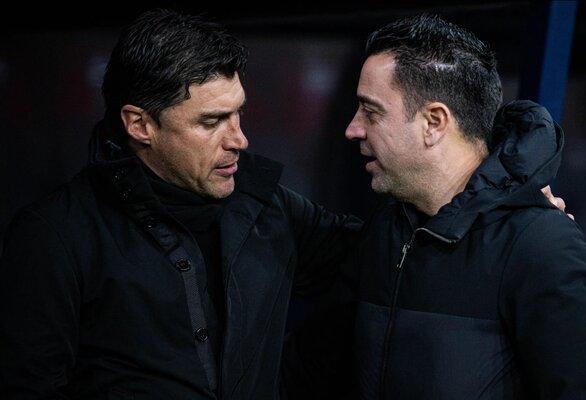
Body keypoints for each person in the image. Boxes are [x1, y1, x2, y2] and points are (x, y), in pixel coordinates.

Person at [0, 9, 361, 399]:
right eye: (211, 122)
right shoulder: (54, 238)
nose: (239, 140)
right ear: (140, 125)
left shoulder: (266, 206)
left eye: (238, 113)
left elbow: (380, 261)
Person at [344, 14, 586, 399]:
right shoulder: (388, 231)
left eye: (371, 112)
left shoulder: (543, 248)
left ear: (434, 122)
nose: (353, 129)